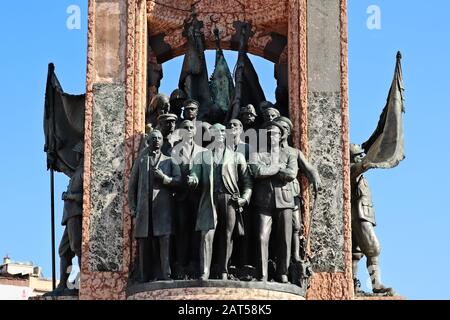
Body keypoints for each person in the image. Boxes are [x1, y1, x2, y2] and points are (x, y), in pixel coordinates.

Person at [187, 124, 252, 280]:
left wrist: (244, 199)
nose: (220, 133)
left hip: (230, 199)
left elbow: (247, 182)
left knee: (227, 235)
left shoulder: (237, 157)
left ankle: (224, 270)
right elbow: (194, 174)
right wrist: (193, 180)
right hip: (209, 198)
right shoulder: (202, 156)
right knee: (206, 234)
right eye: (216, 131)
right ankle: (205, 271)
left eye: (223, 131)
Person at [128, 130, 181, 282]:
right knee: (144, 243)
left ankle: (166, 274)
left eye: (159, 138)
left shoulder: (170, 160)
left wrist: (164, 178)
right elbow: (132, 185)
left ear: (162, 141)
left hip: (163, 209)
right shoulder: (142, 160)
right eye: (153, 138)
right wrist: (133, 207)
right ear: (149, 141)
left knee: (164, 240)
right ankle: (145, 277)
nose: (157, 140)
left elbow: (178, 181)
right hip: (144, 210)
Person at [250, 121, 298, 283]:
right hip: (264, 201)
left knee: (285, 239)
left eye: (275, 133)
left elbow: (291, 174)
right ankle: (262, 274)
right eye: (268, 134)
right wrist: (278, 168)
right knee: (262, 237)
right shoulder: (257, 153)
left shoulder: (290, 153)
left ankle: (282, 273)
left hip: (285, 200)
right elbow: (257, 171)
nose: (271, 136)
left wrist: (269, 170)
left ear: (281, 136)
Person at [275, 116, 321, 263]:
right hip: (273, 194)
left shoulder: (294, 152)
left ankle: (295, 256)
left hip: (291, 193)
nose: (281, 132)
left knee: (295, 225)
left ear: (288, 132)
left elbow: (309, 169)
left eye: (285, 129)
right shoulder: (268, 151)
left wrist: (316, 179)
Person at [350, 144, 394, 295]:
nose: (361, 157)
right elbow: (361, 166)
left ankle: (351, 284)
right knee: (373, 249)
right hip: (359, 216)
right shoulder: (351, 170)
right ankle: (376, 285)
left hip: (364, 216)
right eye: (358, 155)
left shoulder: (361, 178)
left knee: (355, 253)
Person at [170, 120, 206, 278]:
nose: (189, 130)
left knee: (197, 231)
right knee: (182, 231)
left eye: (192, 128)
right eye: (185, 128)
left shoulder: (204, 151)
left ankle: (196, 263)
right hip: (181, 196)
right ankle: (181, 264)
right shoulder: (175, 151)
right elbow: (174, 173)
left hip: (199, 196)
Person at [50, 141, 84, 295]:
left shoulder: (84, 172)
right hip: (69, 215)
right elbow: (64, 167)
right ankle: (63, 284)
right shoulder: (77, 171)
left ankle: (85, 280)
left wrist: (69, 196)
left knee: (77, 247)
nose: (75, 156)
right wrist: (53, 159)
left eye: (78, 153)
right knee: (64, 250)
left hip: (76, 214)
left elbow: (87, 195)